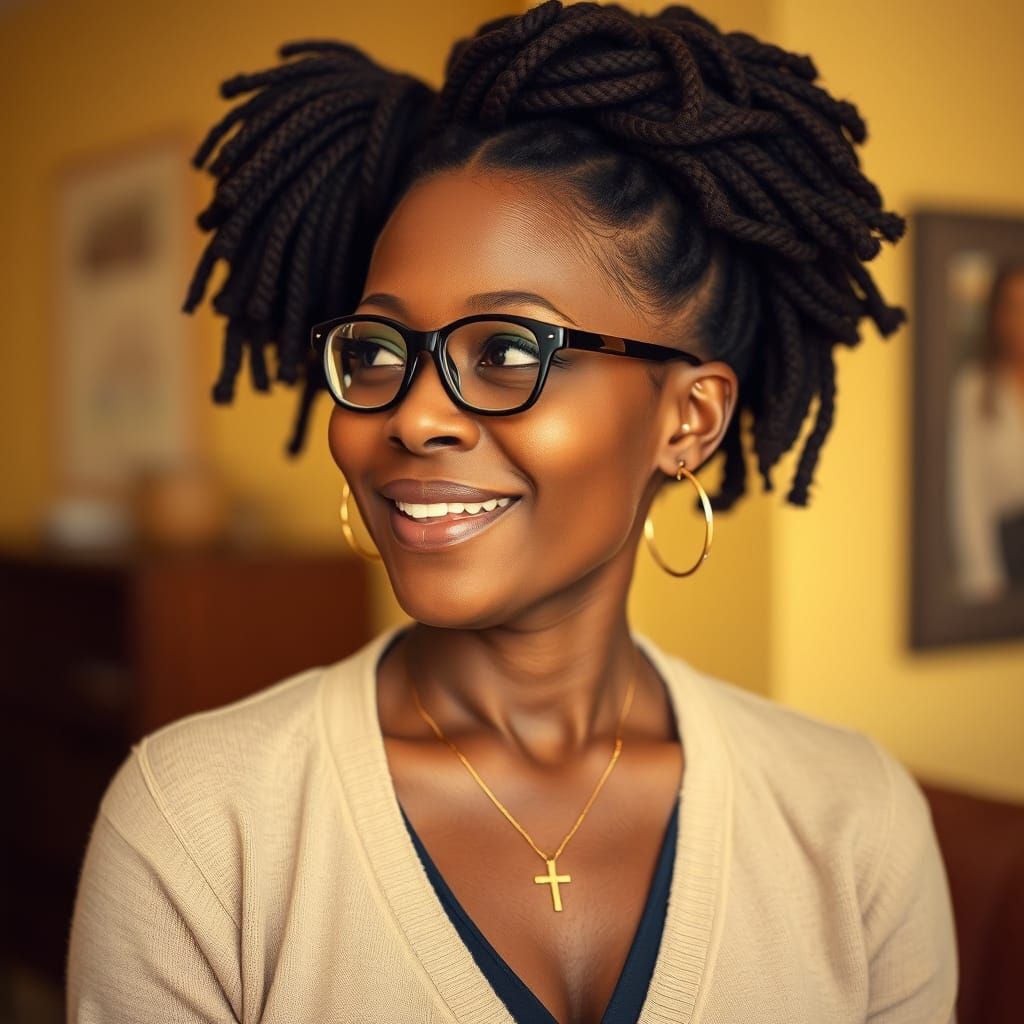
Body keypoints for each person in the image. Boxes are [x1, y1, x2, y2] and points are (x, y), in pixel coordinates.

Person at [65, 2, 959, 1021]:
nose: (412, 414)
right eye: (375, 350)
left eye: (506, 351)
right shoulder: (197, 826)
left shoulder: (853, 822)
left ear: (689, 417)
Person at [948, 263, 1024, 602]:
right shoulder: (974, 389)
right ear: (997, 316)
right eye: (1014, 308)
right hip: (1008, 546)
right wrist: (982, 577)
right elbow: (967, 489)